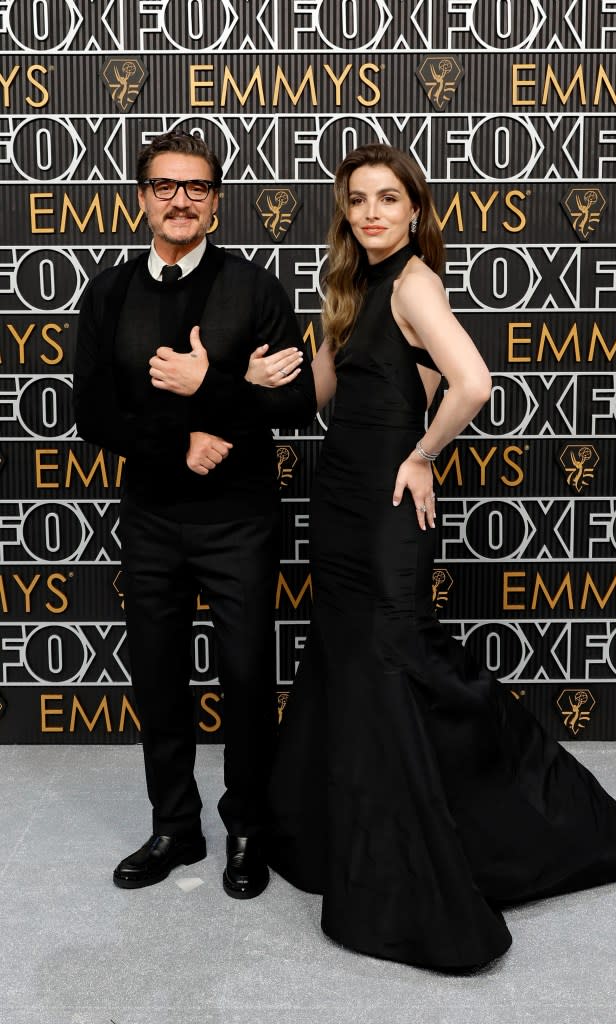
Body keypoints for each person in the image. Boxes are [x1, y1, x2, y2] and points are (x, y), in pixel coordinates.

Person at [246, 144, 616, 970]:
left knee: (400, 665)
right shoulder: (350, 288)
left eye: (387, 199)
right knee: (349, 667)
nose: (371, 212)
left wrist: (422, 455)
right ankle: (344, 839)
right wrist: (256, 376)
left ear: (414, 210)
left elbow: (471, 383)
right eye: (358, 200)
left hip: (385, 511)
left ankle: (536, 826)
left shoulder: (412, 284)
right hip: (336, 504)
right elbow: (316, 401)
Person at [73, 129, 316, 899]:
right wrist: (186, 440)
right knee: (158, 678)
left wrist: (212, 390)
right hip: (149, 518)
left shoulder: (254, 287)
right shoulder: (108, 292)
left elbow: (297, 401)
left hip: (239, 522)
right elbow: (93, 415)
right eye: (165, 185)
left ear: (216, 202)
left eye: (197, 187)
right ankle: (174, 827)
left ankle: (247, 826)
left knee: (246, 678)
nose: (181, 199)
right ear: (141, 197)